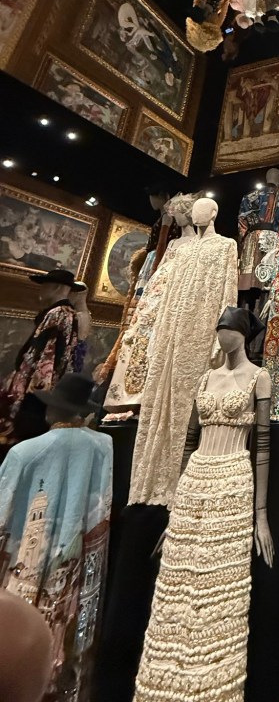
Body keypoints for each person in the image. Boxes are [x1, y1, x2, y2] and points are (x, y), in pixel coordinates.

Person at [0, 374, 112, 702]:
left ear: (52, 410)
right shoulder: (102, 447)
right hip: (79, 558)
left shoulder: (24, 453)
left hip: (25, 562)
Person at [0, 268, 83, 445]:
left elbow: (45, 353)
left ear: (56, 287)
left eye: (45, 286)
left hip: (37, 388)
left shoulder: (58, 313)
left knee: (26, 432)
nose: (41, 290)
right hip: (46, 386)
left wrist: (30, 385)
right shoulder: (68, 313)